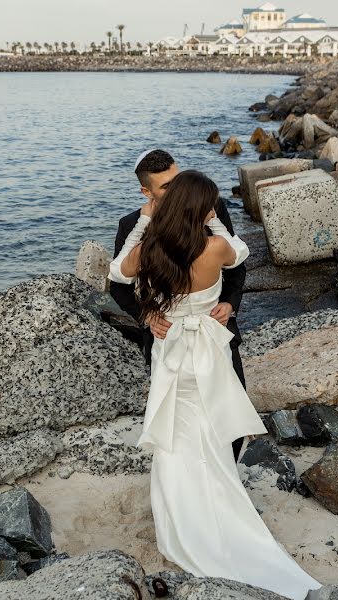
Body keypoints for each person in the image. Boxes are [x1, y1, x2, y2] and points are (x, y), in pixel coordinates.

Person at [108, 169, 323, 600]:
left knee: (176, 435)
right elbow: (241, 251)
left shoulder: (149, 251)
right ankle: (220, 508)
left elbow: (117, 272)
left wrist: (148, 219)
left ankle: (182, 524)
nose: (214, 207)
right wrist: (214, 221)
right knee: (212, 432)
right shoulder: (216, 246)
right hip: (208, 349)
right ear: (200, 209)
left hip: (171, 355)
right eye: (209, 202)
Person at [109, 149, 249, 462]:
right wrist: (146, 314)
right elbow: (116, 287)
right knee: (175, 427)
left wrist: (229, 303)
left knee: (232, 417)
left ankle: (225, 480)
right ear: (147, 192)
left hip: (217, 331)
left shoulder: (209, 207)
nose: (179, 189)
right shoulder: (131, 224)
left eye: (178, 179)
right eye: (166, 186)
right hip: (166, 339)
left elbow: (237, 267)